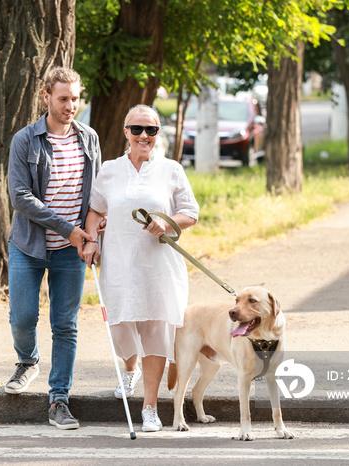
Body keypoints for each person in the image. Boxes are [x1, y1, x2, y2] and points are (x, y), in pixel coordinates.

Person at [83, 104, 199, 432]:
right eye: (137, 129)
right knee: (121, 328)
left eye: (151, 130)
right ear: (126, 132)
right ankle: (129, 368)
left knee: (155, 331)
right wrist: (91, 240)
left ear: (157, 134)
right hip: (119, 264)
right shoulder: (109, 170)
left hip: (159, 266)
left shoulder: (171, 169)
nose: (144, 136)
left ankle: (150, 407)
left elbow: (190, 211)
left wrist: (168, 222)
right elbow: (94, 211)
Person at [6, 67, 101, 430]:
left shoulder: (88, 138)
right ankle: (28, 361)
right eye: (63, 98)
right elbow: (20, 197)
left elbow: (96, 193)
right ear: (45, 95)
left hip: (71, 251)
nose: (70, 105)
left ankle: (59, 399)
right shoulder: (26, 140)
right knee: (23, 317)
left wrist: (93, 230)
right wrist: (69, 229)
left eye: (75, 98)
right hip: (29, 246)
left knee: (65, 324)